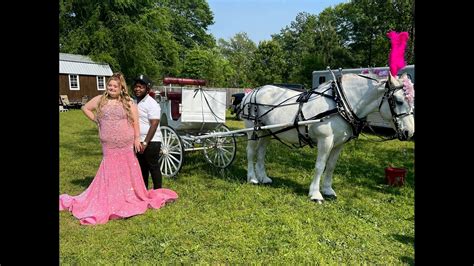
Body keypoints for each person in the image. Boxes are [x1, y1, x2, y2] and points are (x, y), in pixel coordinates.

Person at [59, 73, 178, 225]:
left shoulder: (128, 101)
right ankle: (111, 194)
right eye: (110, 85)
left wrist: (136, 138)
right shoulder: (101, 100)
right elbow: (85, 108)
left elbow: (135, 121)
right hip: (109, 145)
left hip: (126, 144)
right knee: (110, 168)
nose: (112, 88)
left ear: (121, 88)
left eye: (115, 86)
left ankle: (130, 195)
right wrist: (97, 120)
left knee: (128, 169)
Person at [132, 74, 163, 189]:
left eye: (141, 87)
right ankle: (143, 191)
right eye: (136, 86)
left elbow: (154, 124)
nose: (137, 89)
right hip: (138, 140)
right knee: (142, 167)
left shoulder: (152, 103)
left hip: (151, 141)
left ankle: (158, 191)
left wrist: (145, 142)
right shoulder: (134, 102)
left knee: (153, 167)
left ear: (147, 89)